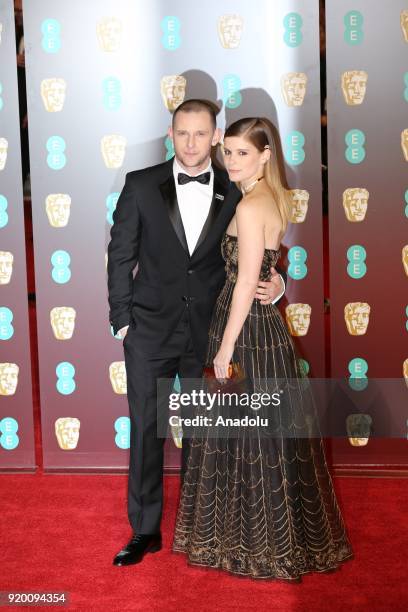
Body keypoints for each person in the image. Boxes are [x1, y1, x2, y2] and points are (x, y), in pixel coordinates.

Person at [173, 117, 354, 580]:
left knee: (245, 436)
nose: (231, 161)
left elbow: (245, 284)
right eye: (228, 151)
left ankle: (253, 547)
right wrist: (277, 286)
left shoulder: (253, 206)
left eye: (242, 153)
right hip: (265, 328)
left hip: (245, 333)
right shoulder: (272, 198)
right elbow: (266, 270)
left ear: (266, 154)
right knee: (262, 437)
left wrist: (225, 349)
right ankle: (263, 542)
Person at [107, 100, 286, 566]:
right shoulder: (141, 185)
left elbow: (260, 249)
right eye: (182, 133)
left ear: (215, 135)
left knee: (207, 437)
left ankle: (198, 527)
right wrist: (122, 320)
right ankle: (144, 530)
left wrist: (279, 280)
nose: (190, 143)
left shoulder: (238, 187)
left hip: (209, 334)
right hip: (147, 331)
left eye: (200, 133)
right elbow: (120, 254)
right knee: (147, 430)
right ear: (171, 133)